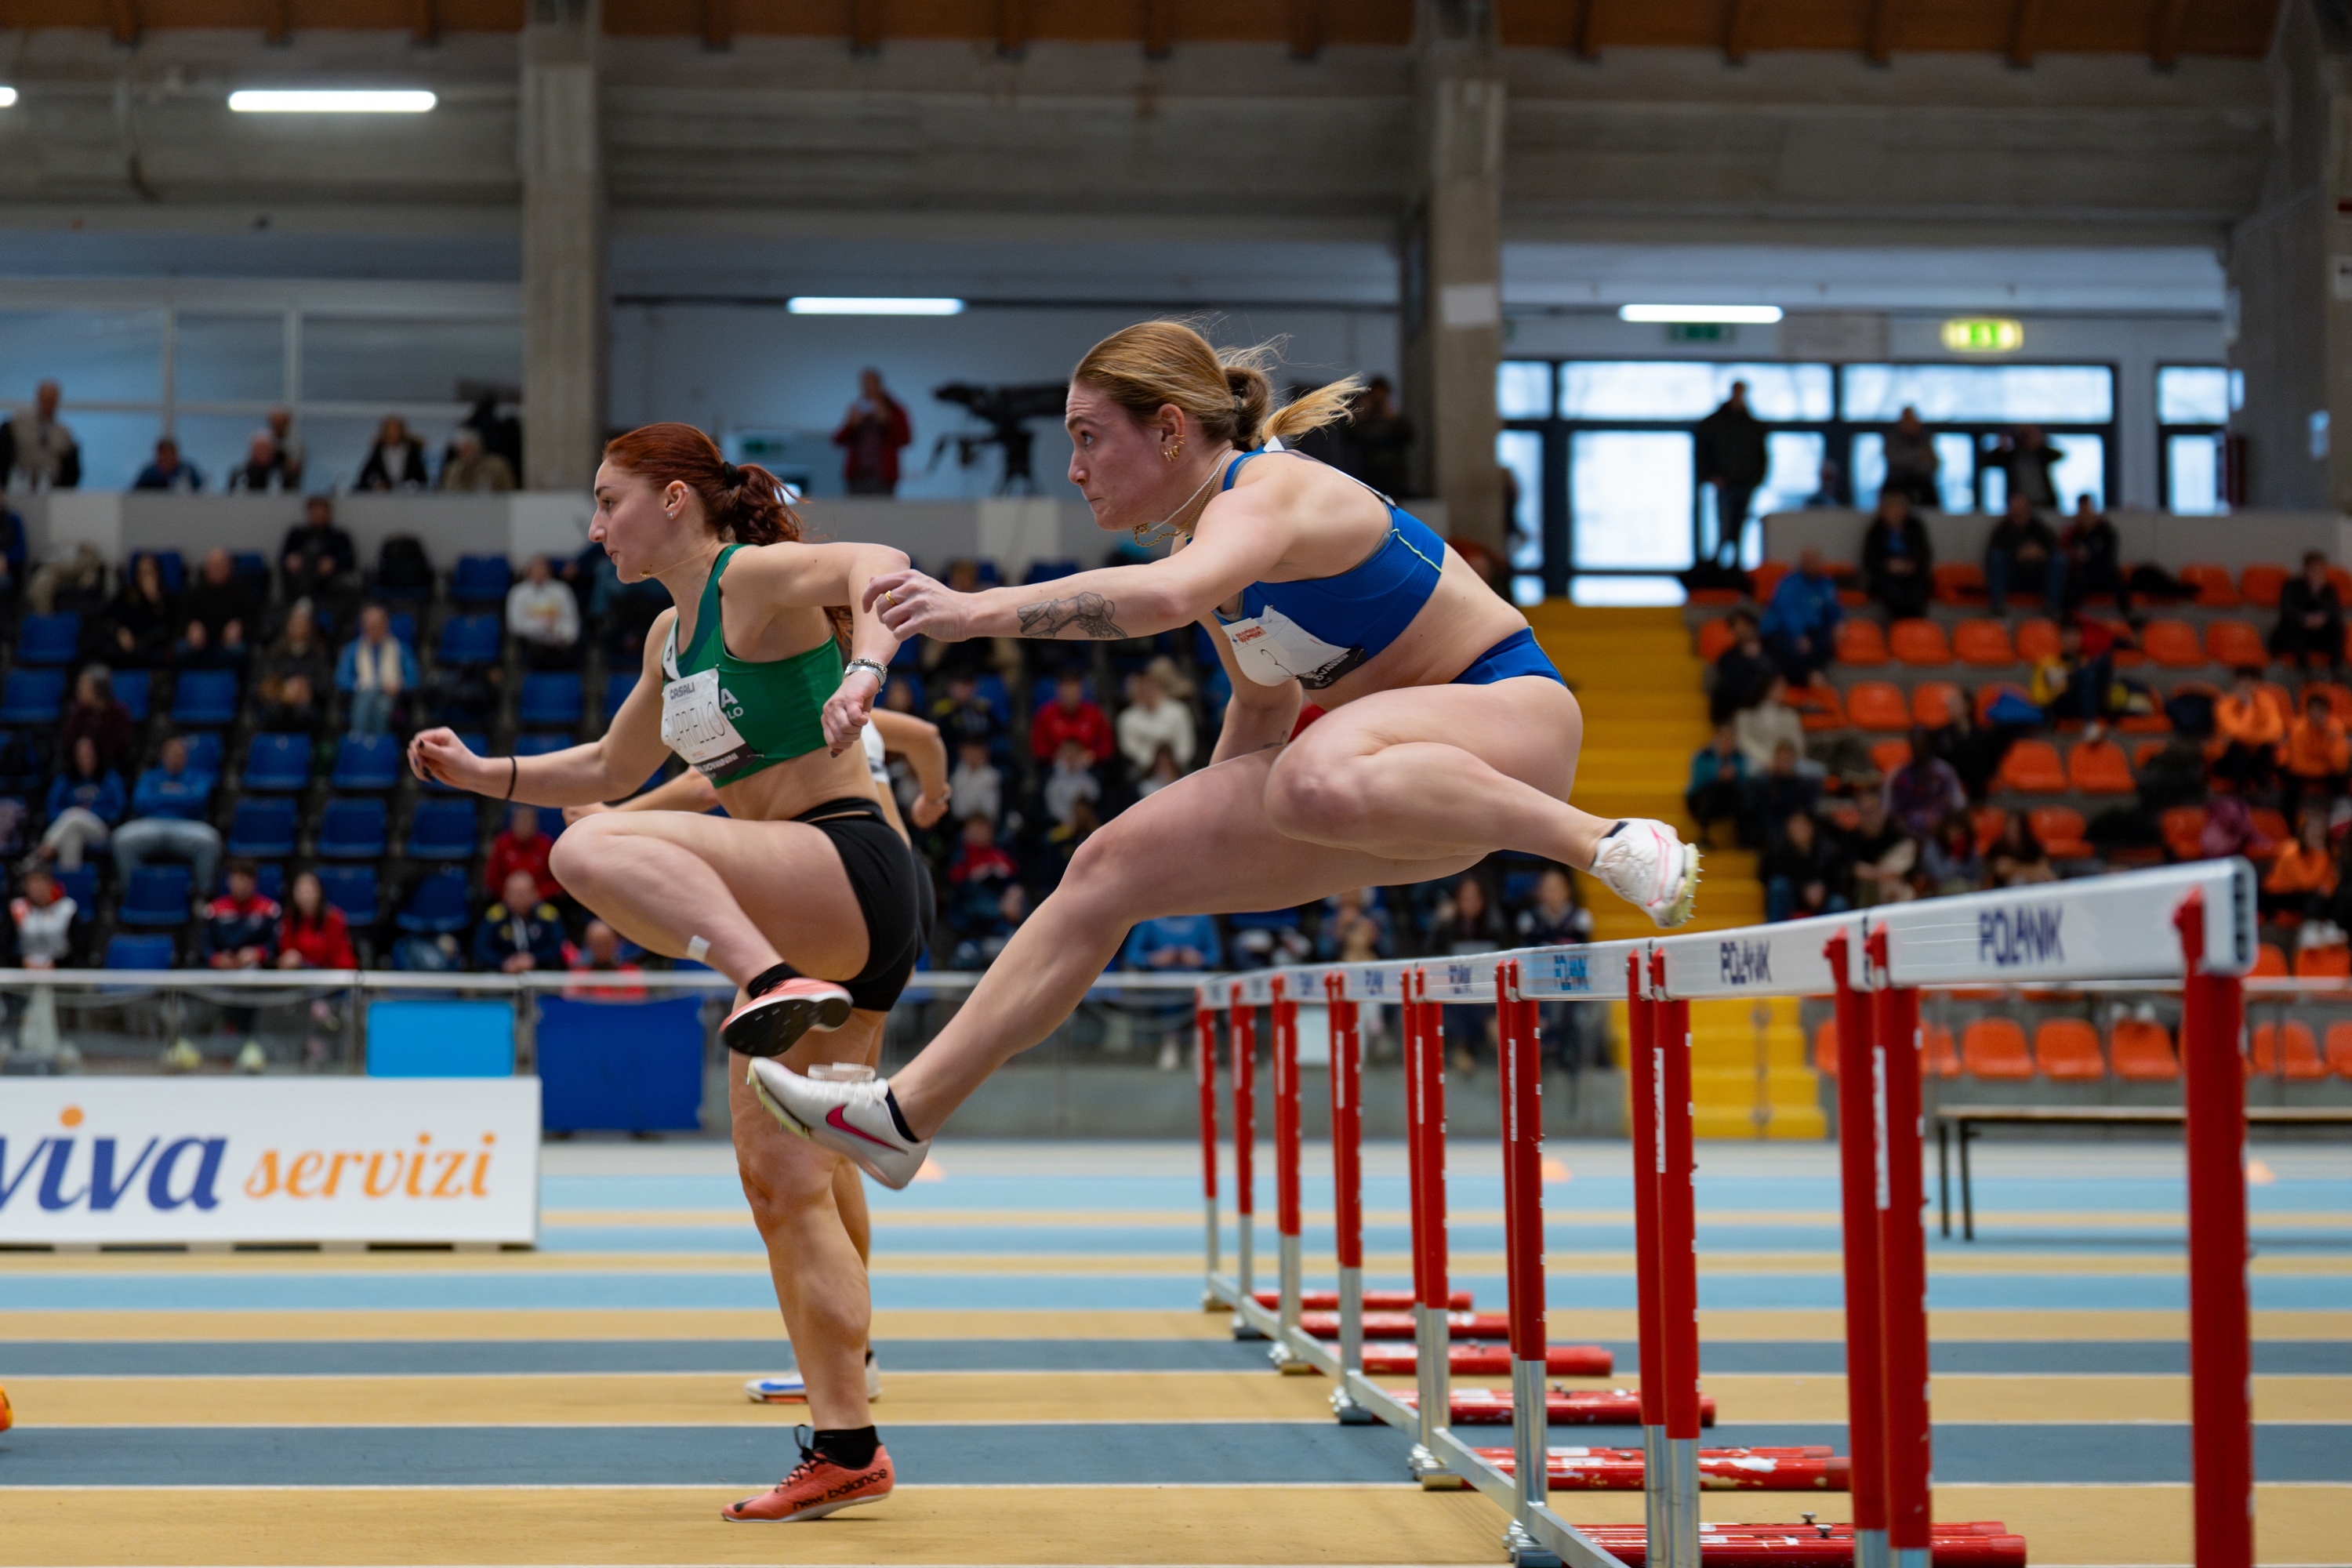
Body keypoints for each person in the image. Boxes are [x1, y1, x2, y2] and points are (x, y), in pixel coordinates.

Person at [752, 319, 1698, 1192]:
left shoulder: (1269, 493)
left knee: (1314, 772)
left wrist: (974, 610)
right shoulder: (1211, 554)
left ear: (1170, 430)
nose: (1073, 469)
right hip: (1397, 786)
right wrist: (1192, 839)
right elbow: (1263, 701)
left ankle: (1607, 841)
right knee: (1109, 865)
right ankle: (904, 1116)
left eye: (1089, 437)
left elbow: (1164, 597)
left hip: (1511, 722)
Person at [405, 421, 916, 1523]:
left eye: (609, 502)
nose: (595, 528)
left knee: (588, 848)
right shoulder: (667, 640)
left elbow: (881, 565)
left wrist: (869, 669)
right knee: (786, 1183)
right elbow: (608, 763)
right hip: (814, 903)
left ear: (676, 500)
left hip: (841, 866)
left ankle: (763, 977)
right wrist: (482, 772)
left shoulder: (750, 582)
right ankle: (848, 1441)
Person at [114, 734, 223, 894]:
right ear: (163, 756)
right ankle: (134, 893)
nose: (176, 758)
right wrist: (181, 799)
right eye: (172, 754)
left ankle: (202, 895)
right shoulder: (150, 777)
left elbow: (198, 802)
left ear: (186, 757)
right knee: (122, 840)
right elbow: (140, 802)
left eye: (180, 755)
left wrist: (161, 799)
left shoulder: (197, 777)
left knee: (210, 841)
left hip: (187, 826)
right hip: (151, 824)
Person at [203, 860, 281, 1073]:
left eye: (246, 879)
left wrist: (258, 954)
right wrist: (216, 959)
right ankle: (218, 1046)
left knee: (251, 986)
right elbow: (203, 947)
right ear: (229, 881)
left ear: (254, 882)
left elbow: (275, 946)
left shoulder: (269, 910)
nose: (241, 885)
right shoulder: (214, 910)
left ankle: (251, 1044)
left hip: (255, 975)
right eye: (236, 879)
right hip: (221, 973)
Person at [1693, 380, 1767, 570]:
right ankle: (1716, 566)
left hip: (1745, 484)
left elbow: (1761, 455)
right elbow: (1703, 451)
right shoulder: (1715, 423)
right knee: (1725, 527)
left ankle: (1735, 566)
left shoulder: (1751, 424)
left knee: (1740, 527)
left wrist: (1757, 479)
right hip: (1724, 484)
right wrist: (1711, 476)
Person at [1758, 547, 1842, 686]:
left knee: (1826, 642)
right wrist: (1798, 635)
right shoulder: (1788, 582)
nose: (1812, 564)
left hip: (1813, 629)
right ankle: (1806, 677)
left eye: (1815, 560)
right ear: (1802, 563)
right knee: (1791, 649)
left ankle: (1812, 675)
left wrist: (1839, 622)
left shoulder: (1826, 583)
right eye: (1808, 561)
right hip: (1781, 629)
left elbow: (1833, 607)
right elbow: (1786, 612)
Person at [39, 735, 125, 871]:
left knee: (74, 817)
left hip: (101, 829)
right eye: (81, 755)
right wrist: (77, 813)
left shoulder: (110, 778)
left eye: (89, 754)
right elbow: (52, 811)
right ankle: (71, 882)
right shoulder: (64, 780)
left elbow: (118, 810)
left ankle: (45, 848)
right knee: (73, 833)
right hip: (69, 826)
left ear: (97, 755)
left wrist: (87, 813)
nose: (85, 759)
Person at [337, 604, 419, 737]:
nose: (373, 629)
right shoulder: (352, 650)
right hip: (360, 696)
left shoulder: (400, 649)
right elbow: (341, 679)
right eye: (369, 625)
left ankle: (358, 738)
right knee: (377, 700)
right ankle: (378, 742)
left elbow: (413, 679)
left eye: (377, 625)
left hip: (393, 698)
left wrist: (399, 685)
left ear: (386, 625)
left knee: (381, 701)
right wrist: (362, 686)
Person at [258, 599, 333, 734]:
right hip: (278, 706)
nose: (299, 628)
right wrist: (284, 690)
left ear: (310, 627)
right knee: (273, 712)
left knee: (305, 713)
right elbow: (266, 683)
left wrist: (306, 688)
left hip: (308, 708)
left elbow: (325, 686)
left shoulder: (318, 655)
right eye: (295, 624)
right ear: (288, 626)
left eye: (303, 624)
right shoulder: (275, 654)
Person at [833, 369, 912, 496]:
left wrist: (887, 422)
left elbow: (905, 439)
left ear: (879, 385)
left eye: (872, 384)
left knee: (882, 508)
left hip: (883, 477)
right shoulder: (857, 409)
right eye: (866, 384)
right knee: (854, 508)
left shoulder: (894, 410)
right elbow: (838, 440)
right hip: (857, 476)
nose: (869, 388)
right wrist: (852, 425)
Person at [473, 869, 567, 974]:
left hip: (543, 972)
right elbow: (481, 948)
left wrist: (534, 959)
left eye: (523, 893)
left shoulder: (547, 916)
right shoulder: (495, 917)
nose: (520, 898)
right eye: (515, 893)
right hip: (502, 973)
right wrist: (503, 963)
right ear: (505, 894)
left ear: (535, 893)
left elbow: (560, 946)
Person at [1115, 656, 1196, 779]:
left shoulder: (1178, 711)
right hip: (1144, 770)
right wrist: (1154, 764)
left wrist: (1172, 764)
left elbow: (1185, 745)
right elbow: (1129, 749)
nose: (1146, 690)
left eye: (1150, 685)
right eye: (1142, 686)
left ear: (1158, 686)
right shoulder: (1127, 718)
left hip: (1178, 767)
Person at [1983, 493, 2062, 616]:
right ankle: (1997, 607)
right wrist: (2017, 553)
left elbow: (2053, 547)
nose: (2018, 513)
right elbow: (1993, 554)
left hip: (2037, 577)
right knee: (1996, 557)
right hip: (2013, 579)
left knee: (2059, 559)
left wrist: (2039, 553)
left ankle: (2052, 608)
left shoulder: (2038, 528)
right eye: (2015, 509)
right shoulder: (2003, 530)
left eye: (2021, 509)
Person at [180, 546, 260, 669]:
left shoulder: (241, 590)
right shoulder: (195, 590)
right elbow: (181, 619)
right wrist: (191, 627)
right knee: (181, 650)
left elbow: (254, 621)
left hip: (231, 642)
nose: (216, 570)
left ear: (229, 568)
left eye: (220, 566)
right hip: (201, 642)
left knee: (241, 651)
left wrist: (241, 627)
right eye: (213, 566)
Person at [1762, 808, 1847, 923]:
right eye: (1795, 825)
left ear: (1812, 827)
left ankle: (1836, 934)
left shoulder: (1827, 850)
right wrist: (1802, 890)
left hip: (1822, 898)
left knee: (1838, 903)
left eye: (1803, 825)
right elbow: (1769, 876)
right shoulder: (1779, 851)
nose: (1799, 829)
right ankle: (1774, 930)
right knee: (1778, 886)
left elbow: (1836, 880)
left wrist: (1823, 890)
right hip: (1794, 897)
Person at [1859, 490, 1932, 620]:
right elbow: (1869, 559)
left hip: (1912, 573)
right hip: (1886, 574)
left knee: (1917, 589)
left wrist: (1909, 565)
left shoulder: (1915, 528)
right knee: (1893, 591)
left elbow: (1925, 554)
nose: (1896, 512)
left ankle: (1915, 624)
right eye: (1892, 508)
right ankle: (1899, 625)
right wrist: (1888, 565)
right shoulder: (1876, 530)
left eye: (1899, 508)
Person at [2269, 551, 2344, 675]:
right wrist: (2305, 619)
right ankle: (2304, 671)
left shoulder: (2329, 589)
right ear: (2306, 569)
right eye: (2314, 569)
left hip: (2317, 634)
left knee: (2337, 628)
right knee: (2293, 628)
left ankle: (2336, 670)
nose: (2318, 573)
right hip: (2294, 634)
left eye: (2321, 569)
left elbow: (2333, 612)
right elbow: (2287, 611)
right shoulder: (2291, 586)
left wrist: (2317, 595)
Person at [2215, 666, 2286, 795]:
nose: (2247, 686)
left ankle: (2263, 793)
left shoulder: (2267, 702)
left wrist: (2249, 735)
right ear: (2236, 682)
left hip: (2258, 755)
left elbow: (2276, 732)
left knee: (2266, 748)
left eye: (2251, 681)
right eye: (2243, 681)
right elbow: (2235, 731)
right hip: (2230, 757)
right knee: (2236, 747)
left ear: (2258, 684)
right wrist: (2248, 707)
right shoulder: (2226, 704)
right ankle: (2241, 792)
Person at [2282, 690, 2350, 826]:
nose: (2317, 714)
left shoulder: (2336, 727)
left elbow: (2340, 766)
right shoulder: (2298, 729)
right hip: (2307, 772)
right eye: (2313, 710)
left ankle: (2340, 823)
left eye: (2321, 710)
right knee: (2290, 783)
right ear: (2307, 712)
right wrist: (2324, 767)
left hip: (2327, 771)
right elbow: (2298, 767)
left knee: (2341, 779)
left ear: (2327, 712)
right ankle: (2289, 826)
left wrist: (2329, 745)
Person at [1885, 731, 1966, 840]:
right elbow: (1891, 817)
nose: (1918, 748)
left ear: (1930, 744)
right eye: (1914, 744)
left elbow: (1959, 806)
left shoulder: (1945, 772)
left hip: (1944, 835)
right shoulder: (1899, 776)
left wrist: (1945, 833)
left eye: (1921, 743)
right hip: (1911, 837)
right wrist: (1916, 837)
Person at [506, 554, 582, 670]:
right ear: (529, 571)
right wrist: (541, 626)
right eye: (536, 569)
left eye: (543, 569)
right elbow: (515, 625)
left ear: (549, 571)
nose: (539, 573)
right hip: (532, 643)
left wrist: (561, 634)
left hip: (560, 642)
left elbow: (572, 620)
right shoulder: (518, 593)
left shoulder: (562, 590)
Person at [1842, 791, 1917, 906]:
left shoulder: (1895, 831)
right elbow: (1855, 868)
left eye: (1873, 811)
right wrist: (1879, 874)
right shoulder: (1852, 839)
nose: (1870, 817)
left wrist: (1889, 870)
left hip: (1896, 882)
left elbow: (1908, 852)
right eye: (1865, 812)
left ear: (1881, 811)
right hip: (1868, 890)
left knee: (1904, 891)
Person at [0, 380, 79, 490]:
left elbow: (71, 468)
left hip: (50, 485)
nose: (48, 403)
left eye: (52, 400)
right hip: (20, 482)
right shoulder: (19, 423)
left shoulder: (63, 433)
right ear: (38, 398)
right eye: (46, 399)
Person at [279, 496, 358, 605]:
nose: (318, 514)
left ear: (328, 513)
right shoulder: (296, 535)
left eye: (321, 511)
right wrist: (291, 560)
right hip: (301, 580)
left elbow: (350, 559)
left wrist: (334, 563)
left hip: (330, 583)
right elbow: (284, 557)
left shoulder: (339, 537)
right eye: (314, 511)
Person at [102, 553, 177, 668]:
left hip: (153, 647)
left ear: (157, 573)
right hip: (127, 646)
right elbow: (110, 618)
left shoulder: (168, 598)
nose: (146, 577)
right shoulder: (127, 596)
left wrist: (154, 600)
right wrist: (119, 632)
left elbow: (169, 626)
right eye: (142, 573)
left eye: (150, 572)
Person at [1345, 376, 1413, 500]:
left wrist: (1394, 418)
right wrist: (1359, 417)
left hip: (1393, 475)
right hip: (1367, 472)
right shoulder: (1363, 420)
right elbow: (1348, 439)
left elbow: (1408, 438)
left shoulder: (1394, 420)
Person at [2262, 811, 2338, 923]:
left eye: (2320, 832)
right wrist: (2322, 855)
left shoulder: (2329, 851)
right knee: (2312, 899)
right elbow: (2306, 883)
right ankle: (2311, 927)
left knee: (2338, 898)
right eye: (2313, 831)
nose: (2317, 835)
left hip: (2307, 893)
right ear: (2303, 832)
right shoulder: (2290, 851)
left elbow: (2331, 880)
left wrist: (2328, 889)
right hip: (2280, 894)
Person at [2059, 494, 2128, 616]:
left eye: (2088, 510)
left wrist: (2089, 556)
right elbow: (2064, 552)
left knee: (2116, 578)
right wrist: (2076, 556)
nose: (2085, 515)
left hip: (2103, 574)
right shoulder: (2074, 534)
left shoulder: (2106, 533)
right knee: (2074, 582)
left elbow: (2108, 557)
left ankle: (2128, 616)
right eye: (2082, 510)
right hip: (2084, 575)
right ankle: (2069, 619)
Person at [61, 665, 136, 775]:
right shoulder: (78, 711)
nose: (78, 690)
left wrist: (94, 754)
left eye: (83, 686)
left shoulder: (120, 712)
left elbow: (120, 745)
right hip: (79, 767)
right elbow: (69, 740)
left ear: (98, 689)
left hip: (111, 767)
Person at [1684, 723, 1748, 848]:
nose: (1726, 743)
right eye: (1723, 740)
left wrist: (1734, 776)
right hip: (1703, 799)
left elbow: (1744, 781)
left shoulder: (1739, 757)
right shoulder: (1703, 755)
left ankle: (1743, 838)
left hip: (1728, 800)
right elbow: (1696, 783)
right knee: (1709, 796)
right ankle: (1704, 837)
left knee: (1744, 797)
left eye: (1729, 740)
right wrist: (1717, 774)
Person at [278, 870, 358, 970]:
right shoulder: (289, 919)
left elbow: (338, 955)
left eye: (309, 891)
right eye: (301, 892)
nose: (305, 897)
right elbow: (286, 951)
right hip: (300, 974)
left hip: (334, 973)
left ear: (319, 892)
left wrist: (305, 961)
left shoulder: (334, 919)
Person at [1029, 671, 1112, 764]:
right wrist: (1054, 756)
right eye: (1066, 689)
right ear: (1058, 689)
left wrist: (1092, 755)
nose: (1070, 694)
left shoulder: (1094, 713)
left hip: (1089, 765)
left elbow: (1107, 746)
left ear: (1081, 689)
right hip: (1054, 764)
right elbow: (1038, 747)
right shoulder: (1045, 713)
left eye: (1073, 689)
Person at [484, 804, 560, 902]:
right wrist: (508, 894)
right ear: (513, 822)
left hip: (539, 901)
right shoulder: (502, 843)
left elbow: (556, 882)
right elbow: (491, 879)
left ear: (535, 823)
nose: (524, 826)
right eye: (520, 822)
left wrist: (538, 894)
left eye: (527, 822)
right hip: (506, 901)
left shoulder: (545, 845)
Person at [1708, 609, 1773, 724]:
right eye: (1737, 629)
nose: (1743, 632)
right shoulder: (1727, 658)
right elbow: (1735, 685)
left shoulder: (1770, 649)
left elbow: (1777, 674)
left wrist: (1759, 659)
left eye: (1745, 627)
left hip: (1769, 703)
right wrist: (1749, 660)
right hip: (1741, 706)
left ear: (1753, 627)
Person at [565, 919, 648, 1000]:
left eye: (606, 942)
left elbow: (638, 1002)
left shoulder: (630, 973)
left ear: (615, 942)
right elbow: (571, 1001)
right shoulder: (580, 975)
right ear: (589, 944)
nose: (602, 948)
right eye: (597, 943)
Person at [1989, 425, 2062, 512]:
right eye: (2024, 435)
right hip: (2019, 507)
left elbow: (2058, 455)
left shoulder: (2041, 455)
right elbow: (1991, 460)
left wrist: (2041, 444)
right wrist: (2003, 444)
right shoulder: (2011, 457)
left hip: (2046, 504)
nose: (2026, 438)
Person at [1880, 405, 1939, 509]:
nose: (1910, 423)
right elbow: (1896, 460)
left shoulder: (1925, 439)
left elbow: (1932, 464)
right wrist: (1919, 457)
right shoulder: (1892, 439)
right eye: (1906, 419)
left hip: (1922, 484)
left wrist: (1918, 462)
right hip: (1897, 484)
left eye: (1912, 419)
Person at [357, 416, 430, 491]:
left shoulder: (412, 450)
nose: (392, 434)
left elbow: (422, 478)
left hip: (408, 494)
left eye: (395, 430)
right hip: (385, 494)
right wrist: (376, 483)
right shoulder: (379, 450)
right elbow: (366, 476)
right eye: (389, 431)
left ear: (401, 431)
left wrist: (411, 485)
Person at [1919, 814, 1985, 896]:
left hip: (1969, 890)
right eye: (1953, 831)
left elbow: (1975, 874)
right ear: (1945, 831)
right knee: (1958, 886)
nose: (1957, 836)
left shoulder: (1967, 846)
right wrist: (1955, 856)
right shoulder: (1932, 848)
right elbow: (1940, 877)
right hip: (1936, 892)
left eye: (1960, 832)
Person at [439, 427, 517, 492]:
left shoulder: (497, 466)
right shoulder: (452, 469)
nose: (466, 454)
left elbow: (510, 491)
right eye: (462, 450)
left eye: (468, 449)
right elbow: (446, 492)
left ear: (478, 448)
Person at [946, 739, 1001, 827]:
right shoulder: (954, 776)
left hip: (985, 825)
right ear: (961, 751)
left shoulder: (993, 777)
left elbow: (992, 810)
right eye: (970, 750)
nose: (973, 755)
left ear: (985, 752)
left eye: (976, 751)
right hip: (957, 825)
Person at [1989, 815, 2056, 886]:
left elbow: (2044, 871)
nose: (2012, 832)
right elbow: (2001, 870)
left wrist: (2014, 868)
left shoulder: (2034, 846)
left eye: (2015, 828)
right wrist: (2033, 870)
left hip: (2032, 886)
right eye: (2009, 828)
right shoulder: (1997, 848)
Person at [132, 437, 204, 493]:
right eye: (164, 455)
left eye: (170, 454)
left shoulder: (187, 470)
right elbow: (135, 494)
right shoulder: (149, 474)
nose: (167, 458)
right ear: (158, 456)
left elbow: (201, 491)